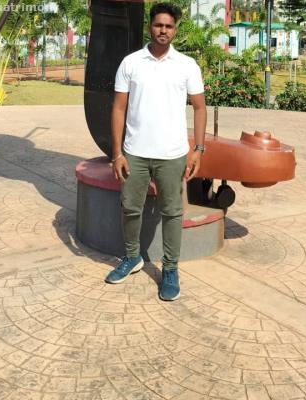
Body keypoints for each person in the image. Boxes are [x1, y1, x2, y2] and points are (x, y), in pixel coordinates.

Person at [105, 2, 207, 301]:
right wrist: (117, 154)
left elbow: (200, 108)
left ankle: (171, 269)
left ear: (175, 30)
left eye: (169, 26)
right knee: (130, 207)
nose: (163, 30)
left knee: (172, 212)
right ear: (150, 26)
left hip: (172, 154)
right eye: (159, 25)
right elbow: (118, 108)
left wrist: (198, 149)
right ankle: (132, 257)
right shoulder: (131, 63)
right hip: (134, 152)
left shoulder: (186, 65)